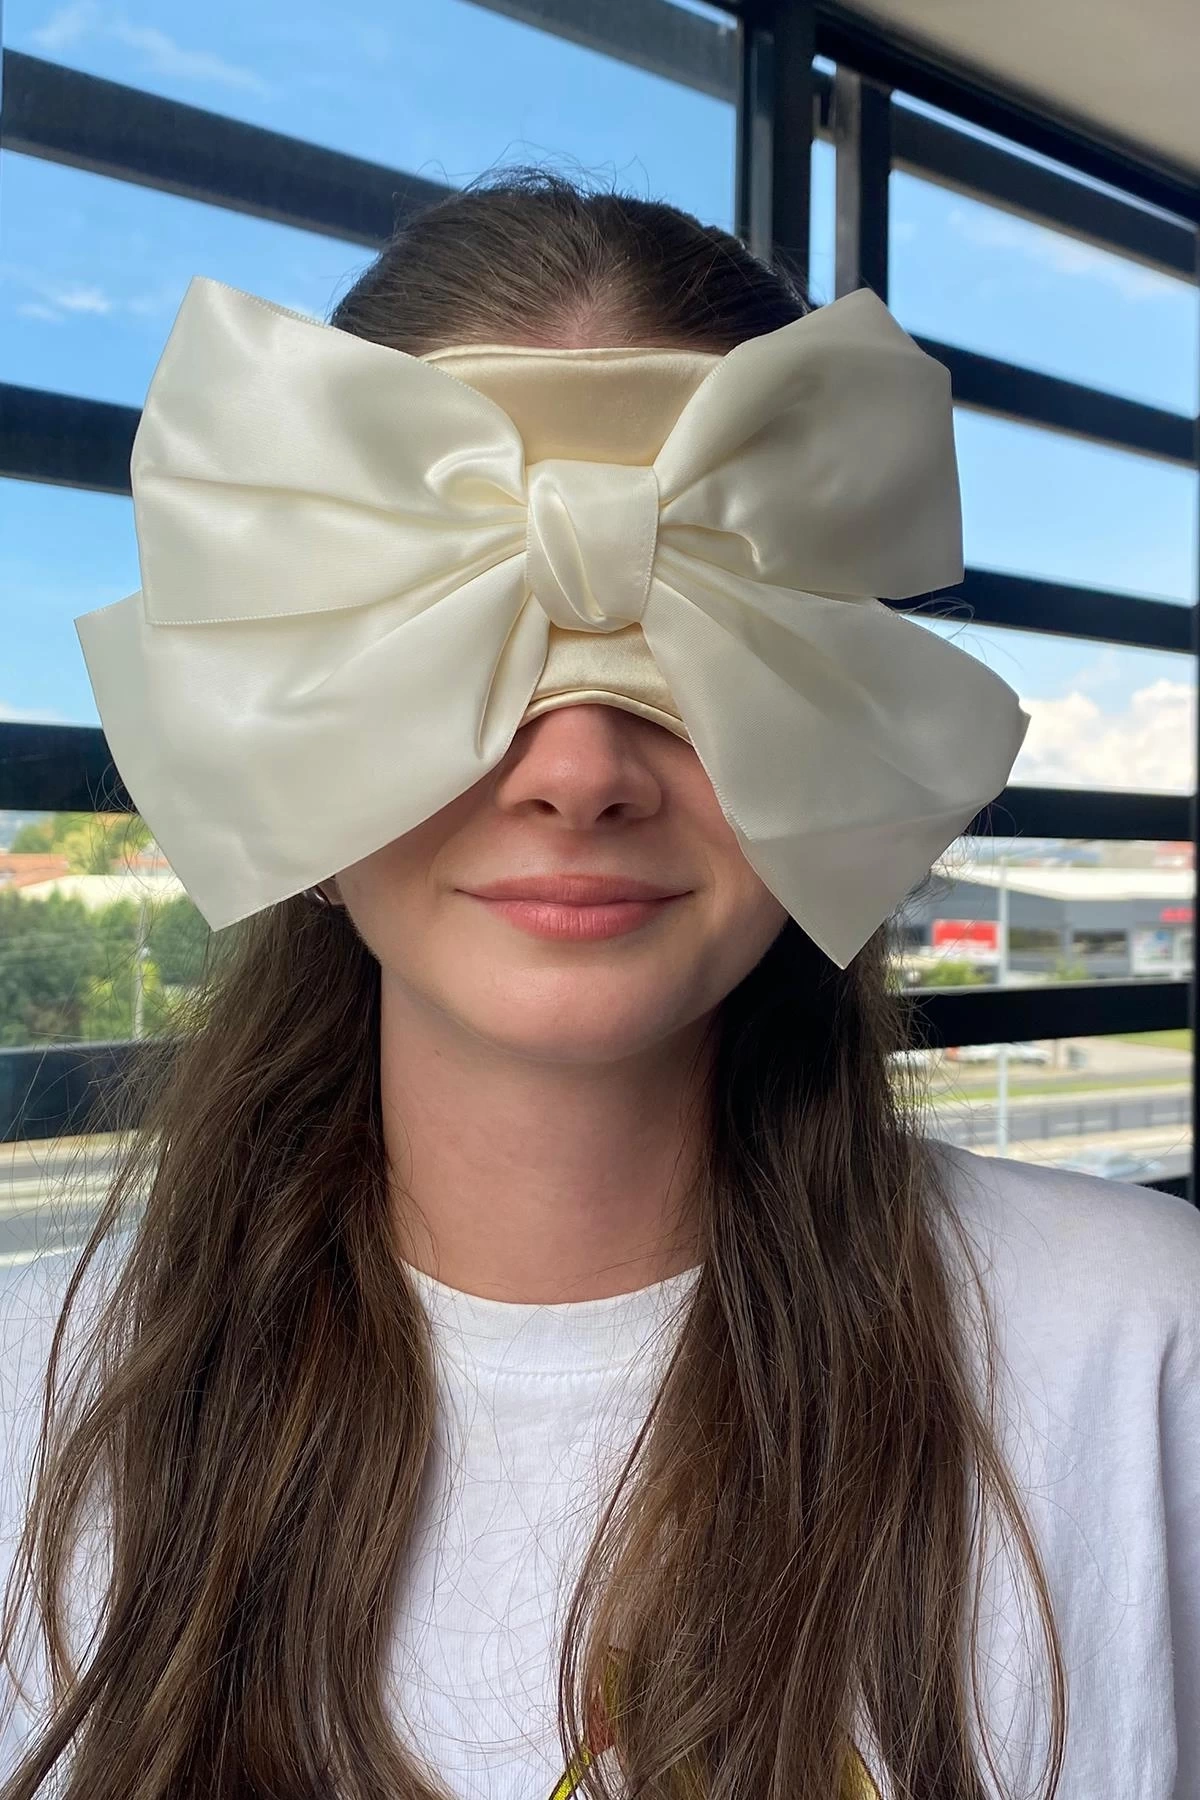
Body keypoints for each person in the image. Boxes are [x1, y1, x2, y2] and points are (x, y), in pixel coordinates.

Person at [1, 169, 1197, 1800]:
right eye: (460, 650)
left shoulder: (1143, 1351)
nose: (578, 771)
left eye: (692, 655)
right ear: (285, 744)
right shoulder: (30, 1406)